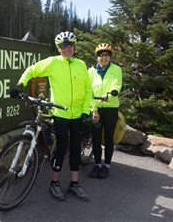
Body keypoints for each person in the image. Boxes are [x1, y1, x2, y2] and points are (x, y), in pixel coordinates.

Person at [11, 31, 92, 202]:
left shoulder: (81, 65)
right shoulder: (53, 63)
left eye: (69, 45)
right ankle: (54, 183)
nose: (66, 49)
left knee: (76, 150)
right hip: (60, 114)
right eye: (63, 46)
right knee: (61, 149)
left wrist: (86, 112)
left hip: (78, 115)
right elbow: (32, 70)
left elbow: (87, 90)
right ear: (58, 48)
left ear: (74, 46)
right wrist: (20, 84)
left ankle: (74, 184)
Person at [88, 43, 122, 179]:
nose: (104, 57)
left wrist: (109, 95)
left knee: (108, 138)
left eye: (107, 55)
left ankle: (106, 165)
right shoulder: (90, 72)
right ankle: (97, 164)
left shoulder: (116, 69)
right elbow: (88, 91)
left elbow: (117, 85)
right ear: (97, 57)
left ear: (110, 57)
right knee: (95, 139)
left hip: (111, 108)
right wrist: (94, 109)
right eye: (101, 55)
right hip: (96, 109)